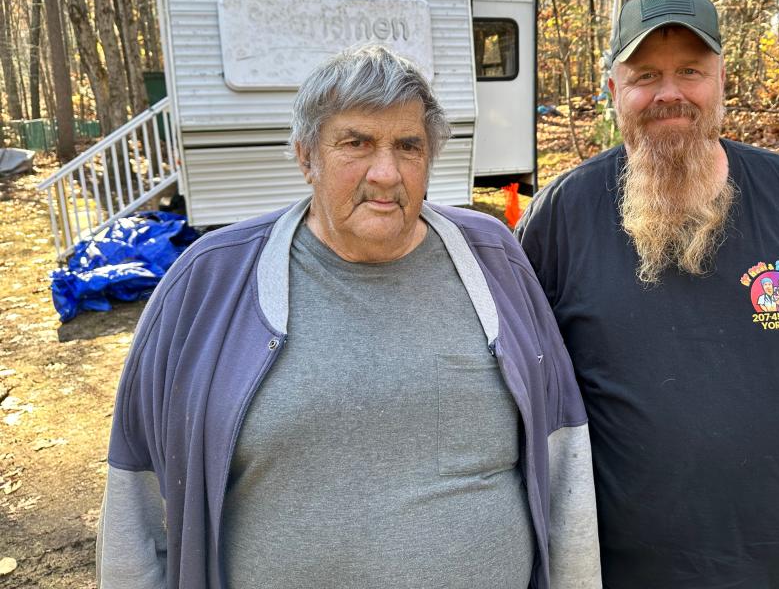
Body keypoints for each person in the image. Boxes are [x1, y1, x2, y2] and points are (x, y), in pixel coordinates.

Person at [97, 46, 601, 589]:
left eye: (408, 146)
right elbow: (137, 499)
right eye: (356, 143)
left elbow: (564, 459)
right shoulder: (208, 280)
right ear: (305, 157)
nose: (386, 173)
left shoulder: (493, 260)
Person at [516, 0, 779, 589]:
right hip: (614, 565)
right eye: (646, 74)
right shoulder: (563, 213)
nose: (670, 92)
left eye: (690, 70)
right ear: (614, 91)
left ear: (721, 82)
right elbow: (512, 386)